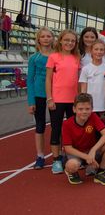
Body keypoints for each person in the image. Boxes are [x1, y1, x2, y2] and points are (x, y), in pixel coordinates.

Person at [62, 93, 105, 185]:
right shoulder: (67, 124)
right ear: (74, 109)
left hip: (91, 151)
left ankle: (100, 173)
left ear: (91, 109)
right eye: (80, 109)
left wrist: (93, 151)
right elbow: (68, 148)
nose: (84, 112)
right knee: (72, 165)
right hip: (77, 153)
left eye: (87, 109)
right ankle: (71, 172)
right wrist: (87, 157)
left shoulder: (93, 116)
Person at [46, 29, 80, 174]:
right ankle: (56, 160)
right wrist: (49, 98)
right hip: (57, 100)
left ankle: (70, 156)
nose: (69, 43)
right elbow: (48, 79)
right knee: (56, 129)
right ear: (60, 40)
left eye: (72, 41)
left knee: (73, 130)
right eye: (66, 40)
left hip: (73, 100)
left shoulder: (76, 58)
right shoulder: (53, 57)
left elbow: (78, 80)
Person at [27, 27, 54, 169]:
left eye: (48, 36)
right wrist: (31, 101)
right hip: (38, 95)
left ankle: (60, 153)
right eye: (43, 36)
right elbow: (30, 80)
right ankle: (40, 155)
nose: (46, 38)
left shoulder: (56, 55)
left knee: (57, 125)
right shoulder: (34, 58)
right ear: (38, 39)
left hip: (55, 95)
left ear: (52, 38)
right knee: (40, 125)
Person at [79, 40, 105, 116]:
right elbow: (83, 90)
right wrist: (84, 105)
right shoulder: (86, 68)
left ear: (104, 51)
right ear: (91, 51)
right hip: (90, 107)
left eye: (101, 49)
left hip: (104, 107)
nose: (99, 52)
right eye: (96, 49)